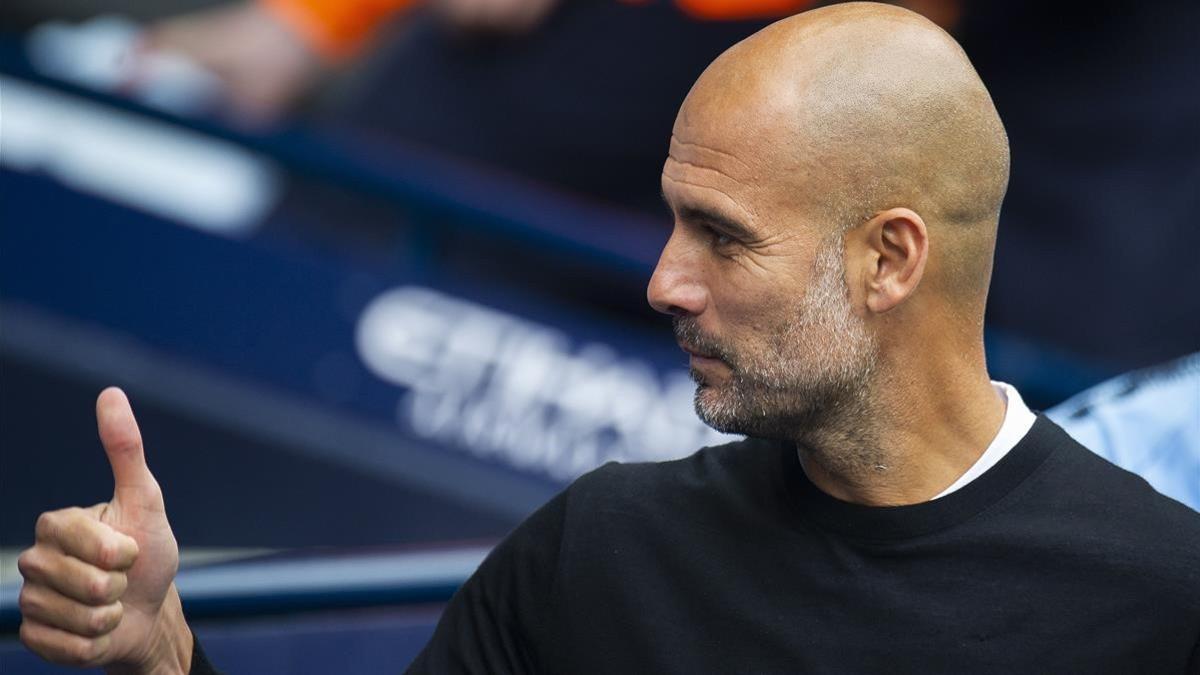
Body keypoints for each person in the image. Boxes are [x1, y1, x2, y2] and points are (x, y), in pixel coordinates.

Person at [16, 3, 1200, 672]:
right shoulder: (602, 542)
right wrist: (159, 656)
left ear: (891, 258)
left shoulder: (1157, 597)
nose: (664, 283)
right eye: (676, 223)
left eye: (719, 240)